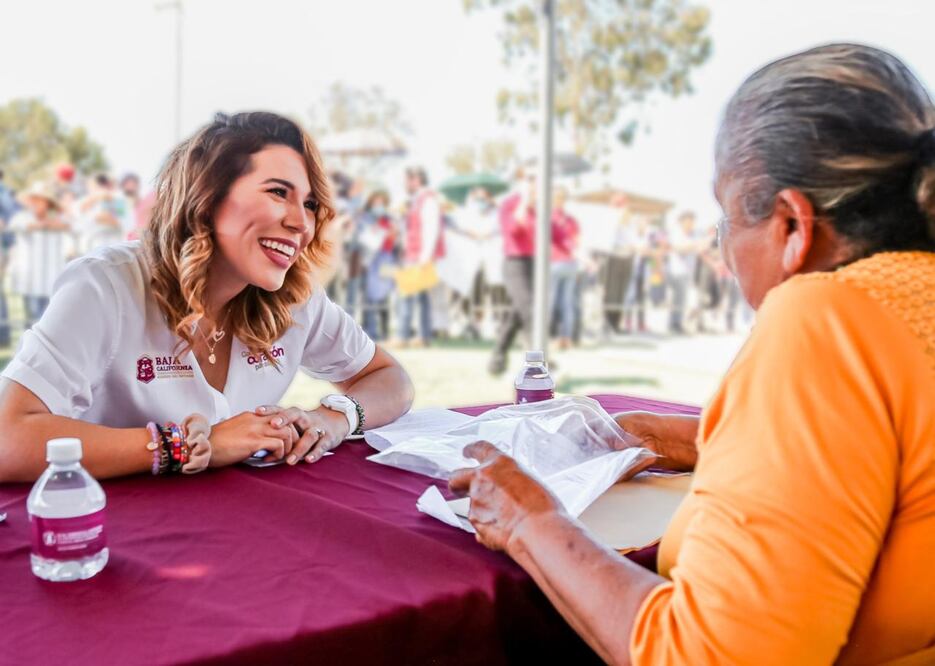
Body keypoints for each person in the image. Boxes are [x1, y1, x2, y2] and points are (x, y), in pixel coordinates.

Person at [449, 43, 935, 664]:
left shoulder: (825, 318)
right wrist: (673, 436)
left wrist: (531, 522)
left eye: (725, 222)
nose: (725, 259)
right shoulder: (902, 306)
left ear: (792, 226)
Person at [0, 111, 414, 483]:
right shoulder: (105, 286)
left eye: (309, 203)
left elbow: (390, 380)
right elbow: (8, 438)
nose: (300, 223)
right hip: (108, 533)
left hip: (243, 536)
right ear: (207, 197)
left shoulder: (296, 298)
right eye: (277, 192)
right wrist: (187, 447)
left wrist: (332, 418)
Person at [488, 169, 537, 375]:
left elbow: (556, 236)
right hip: (515, 263)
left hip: (535, 264)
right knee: (528, 310)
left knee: (517, 313)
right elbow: (513, 230)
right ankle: (538, 362)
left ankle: (498, 355)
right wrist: (524, 201)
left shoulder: (539, 208)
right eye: (531, 181)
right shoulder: (510, 204)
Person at [9, 182, 72, 328]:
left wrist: (55, 221)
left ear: (48, 202)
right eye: (34, 199)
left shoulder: (59, 219)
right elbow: (17, 226)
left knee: (50, 320)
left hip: (52, 277)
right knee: (31, 321)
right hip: (30, 278)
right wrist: (43, 225)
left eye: (40, 199)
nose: (36, 203)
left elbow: (71, 225)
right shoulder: (22, 217)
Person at [398, 166, 444, 347]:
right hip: (415, 254)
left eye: (406, 180)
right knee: (421, 297)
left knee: (408, 296)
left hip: (419, 256)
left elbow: (431, 228)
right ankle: (423, 337)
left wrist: (425, 256)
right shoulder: (417, 200)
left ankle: (403, 336)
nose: (404, 184)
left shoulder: (428, 200)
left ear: (415, 179)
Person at [357, 190, 397, 340]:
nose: (378, 206)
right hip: (371, 259)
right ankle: (370, 330)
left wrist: (392, 233)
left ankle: (385, 330)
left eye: (381, 203)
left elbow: (394, 239)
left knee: (385, 294)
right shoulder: (366, 218)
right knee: (370, 295)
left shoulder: (389, 219)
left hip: (387, 257)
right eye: (376, 202)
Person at [548, 187, 580, 349]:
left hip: (554, 261)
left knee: (549, 302)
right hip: (571, 263)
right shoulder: (571, 220)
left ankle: (547, 336)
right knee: (567, 303)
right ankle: (567, 337)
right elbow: (577, 241)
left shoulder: (548, 217)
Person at [664, 211, 705, 334]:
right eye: (689, 221)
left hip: (688, 271)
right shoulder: (676, 232)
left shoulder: (693, 235)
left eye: (692, 221)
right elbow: (679, 250)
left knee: (683, 299)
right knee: (678, 299)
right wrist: (694, 246)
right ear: (682, 221)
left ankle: (677, 323)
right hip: (676, 270)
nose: (691, 224)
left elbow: (699, 249)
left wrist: (695, 245)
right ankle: (674, 324)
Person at [77, 173, 135, 253]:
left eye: (91, 186)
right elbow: (80, 217)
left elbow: (122, 222)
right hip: (91, 248)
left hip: (111, 247)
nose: (89, 189)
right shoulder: (87, 201)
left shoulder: (117, 199)